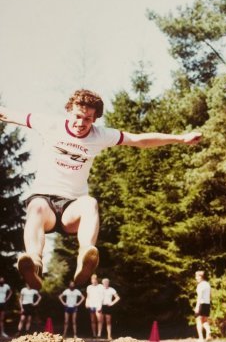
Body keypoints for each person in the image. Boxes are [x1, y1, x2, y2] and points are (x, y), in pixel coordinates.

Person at [0, 89, 202, 290]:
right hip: (45, 205)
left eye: (87, 119)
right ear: (69, 111)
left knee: (90, 203)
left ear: (95, 119)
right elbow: (8, 115)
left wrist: (180, 138)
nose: (81, 123)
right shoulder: (50, 124)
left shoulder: (101, 135)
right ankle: (34, 263)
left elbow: (140, 140)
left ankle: (85, 256)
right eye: (77, 116)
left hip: (72, 208)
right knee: (36, 206)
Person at [194, 270, 212, 342]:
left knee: (198, 321)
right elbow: (210, 295)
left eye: (197, 276)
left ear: (200, 276)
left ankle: (201, 338)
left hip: (201, 304)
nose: (196, 278)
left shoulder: (200, 285)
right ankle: (208, 331)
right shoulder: (207, 284)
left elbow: (199, 296)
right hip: (207, 304)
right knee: (204, 320)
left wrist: (197, 306)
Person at [85, 274, 104, 338]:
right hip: (91, 305)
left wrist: (100, 305)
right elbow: (88, 296)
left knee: (99, 320)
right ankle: (94, 334)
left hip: (98, 305)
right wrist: (86, 303)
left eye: (95, 279)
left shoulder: (100, 286)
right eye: (92, 279)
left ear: (97, 279)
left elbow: (102, 296)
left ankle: (99, 334)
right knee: (93, 320)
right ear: (91, 280)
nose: (93, 280)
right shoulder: (89, 287)